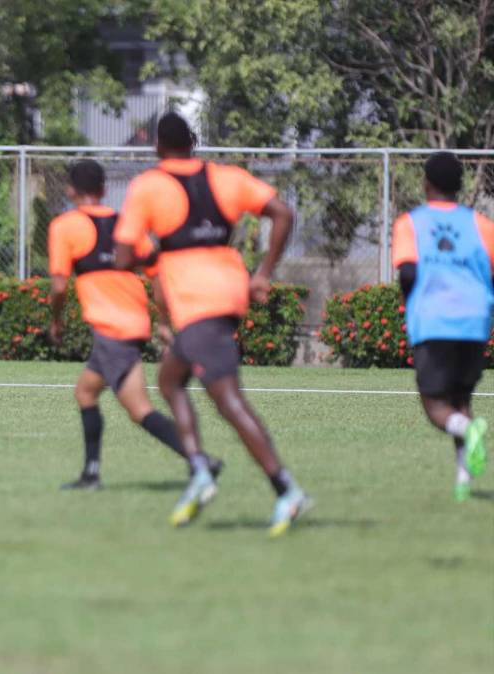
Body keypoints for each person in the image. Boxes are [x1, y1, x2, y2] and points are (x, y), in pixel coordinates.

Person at [113, 112, 311, 536]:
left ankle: (286, 488)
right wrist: (263, 273)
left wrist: (156, 255)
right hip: (228, 291)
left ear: (157, 148)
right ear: (192, 143)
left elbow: (125, 257)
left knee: (228, 401)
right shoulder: (227, 177)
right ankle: (200, 469)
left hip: (198, 303)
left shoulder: (148, 186)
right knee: (169, 380)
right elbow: (283, 213)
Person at [47, 160, 222, 490]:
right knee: (85, 392)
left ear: (70, 190)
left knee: (139, 410)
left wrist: (55, 321)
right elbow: (158, 276)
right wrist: (164, 321)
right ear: (102, 190)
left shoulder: (64, 226)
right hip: (130, 324)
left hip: (114, 330)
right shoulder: (126, 226)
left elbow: (58, 287)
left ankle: (201, 460)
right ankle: (91, 474)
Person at [391, 151, 493, 502]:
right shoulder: (481, 224)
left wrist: (412, 303)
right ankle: (463, 480)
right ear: (460, 187)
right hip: (474, 320)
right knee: (461, 398)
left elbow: (408, 272)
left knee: (435, 404)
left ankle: (467, 429)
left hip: (435, 319)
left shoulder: (411, 223)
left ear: (426, 183)